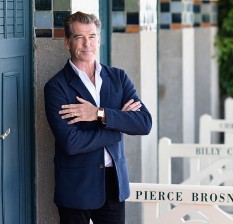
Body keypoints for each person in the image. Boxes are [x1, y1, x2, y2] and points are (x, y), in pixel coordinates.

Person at [44, 11, 152, 224]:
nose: (87, 44)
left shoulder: (118, 78)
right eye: (79, 37)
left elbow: (144, 123)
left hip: (114, 185)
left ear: (99, 40)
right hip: (76, 188)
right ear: (67, 42)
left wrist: (99, 113)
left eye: (92, 36)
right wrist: (117, 126)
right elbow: (71, 143)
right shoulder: (56, 87)